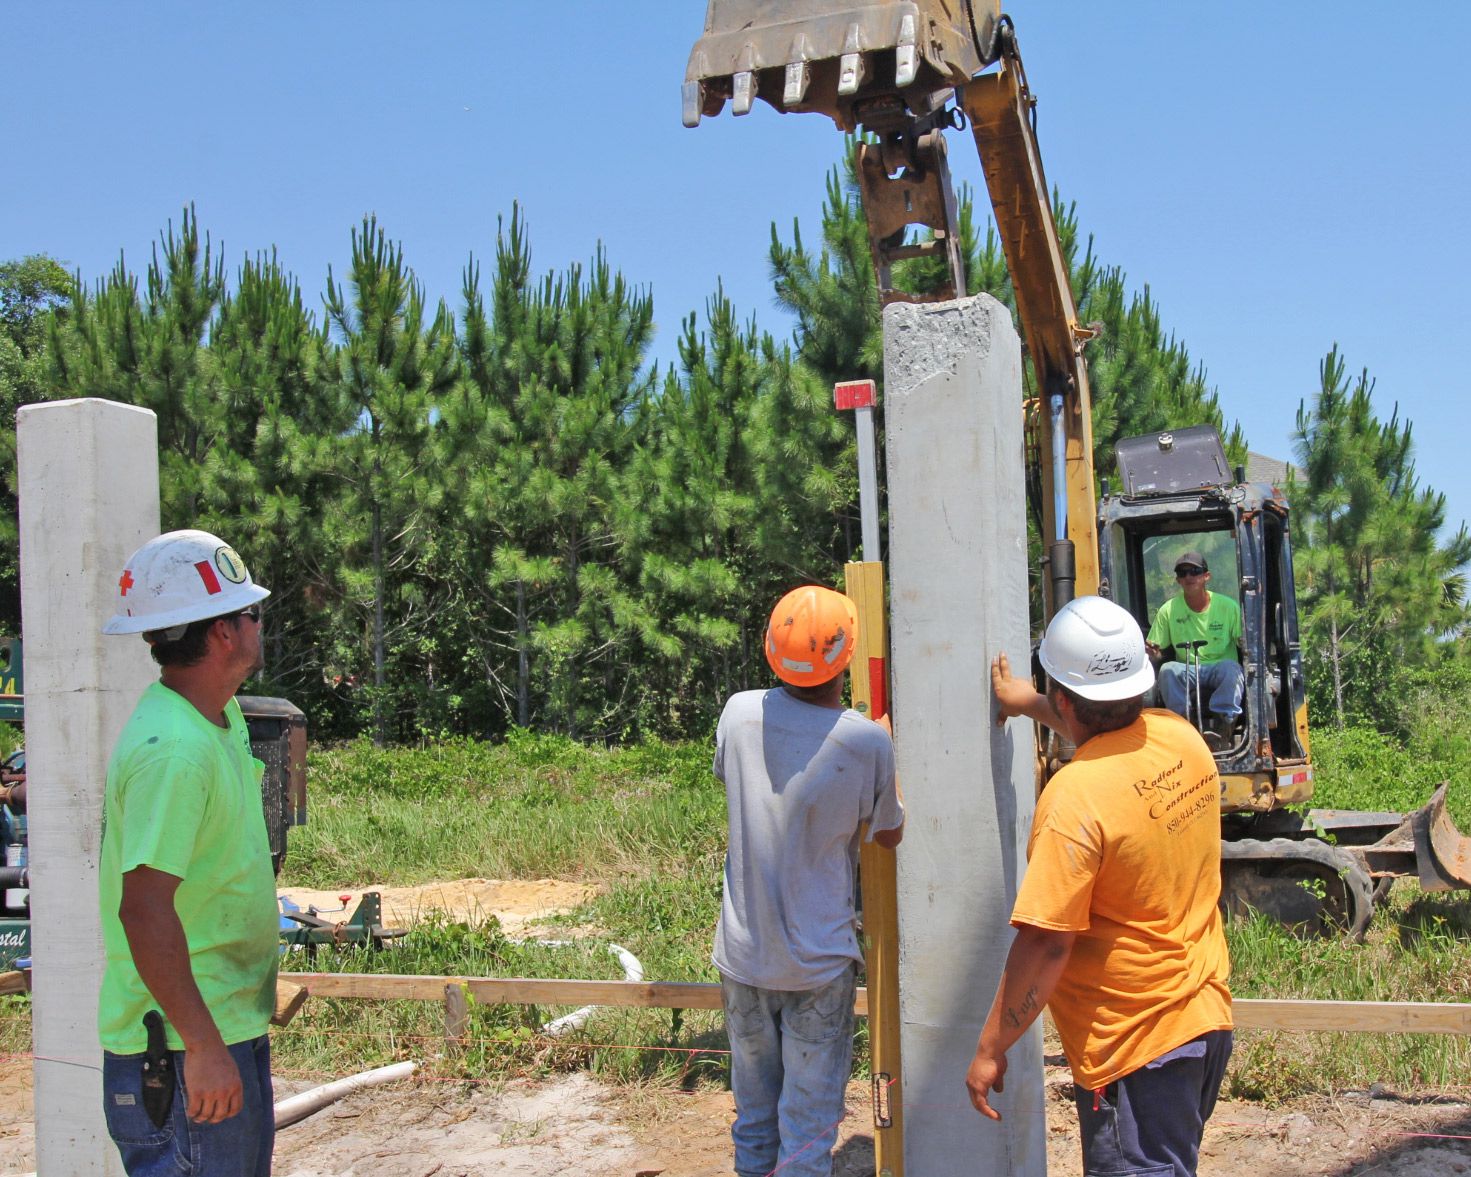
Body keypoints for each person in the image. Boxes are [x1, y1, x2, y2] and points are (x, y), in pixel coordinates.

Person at [968, 595, 1233, 1177]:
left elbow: (1047, 943)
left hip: (1138, 1048)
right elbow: (1102, 723)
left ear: (1064, 698)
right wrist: (1028, 702)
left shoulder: (1074, 797)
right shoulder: (1181, 738)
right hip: (1204, 1023)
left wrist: (991, 1048)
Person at [98, 529, 279, 1176]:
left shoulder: (215, 720)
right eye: (252, 612)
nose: (261, 624)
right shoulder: (172, 751)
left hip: (214, 1030)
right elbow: (144, 910)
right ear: (225, 633)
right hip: (181, 1050)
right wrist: (201, 1043)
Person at [712, 584, 904, 1177]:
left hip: (743, 957)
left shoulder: (739, 713)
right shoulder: (868, 741)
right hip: (818, 965)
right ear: (845, 658)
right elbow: (889, 834)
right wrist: (884, 752)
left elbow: (735, 779)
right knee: (807, 1126)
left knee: (754, 1113)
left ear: (772, 650)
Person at [1145, 550, 1243, 749]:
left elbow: (1244, 642)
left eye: (1194, 571)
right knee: (1168, 670)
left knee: (1231, 669)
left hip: (1219, 668)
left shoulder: (1228, 607)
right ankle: (1183, 727)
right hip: (1187, 669)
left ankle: (1223, 727)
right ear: (1178, 580)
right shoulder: (1168, 610)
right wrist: (1153, 654)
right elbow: (1156, 649)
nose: (1189, 577)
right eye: (1183, 573)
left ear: (1206, 576)